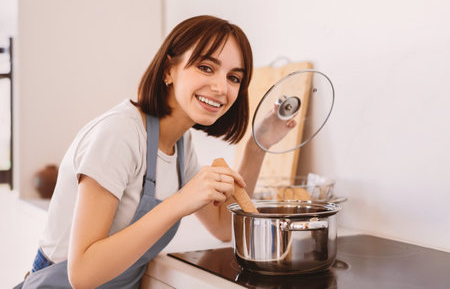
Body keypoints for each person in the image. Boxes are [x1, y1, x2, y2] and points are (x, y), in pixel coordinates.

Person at [15, 15, 296, 288]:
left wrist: (259, 144)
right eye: (206, 67)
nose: (221, 87)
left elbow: (223, 227)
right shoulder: (120, 134)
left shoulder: (180, 146)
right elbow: (83, 275)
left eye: (234, 77)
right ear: (168, 69)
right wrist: (180, 202)